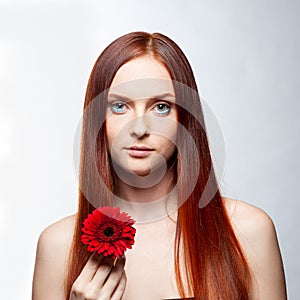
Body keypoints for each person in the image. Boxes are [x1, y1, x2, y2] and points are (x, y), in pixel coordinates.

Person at [32, 31, 287, 300]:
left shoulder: (249, 232)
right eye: (119, 106)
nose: (139, 128)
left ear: (185, 120)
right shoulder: (58, 247)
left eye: (161, 107)